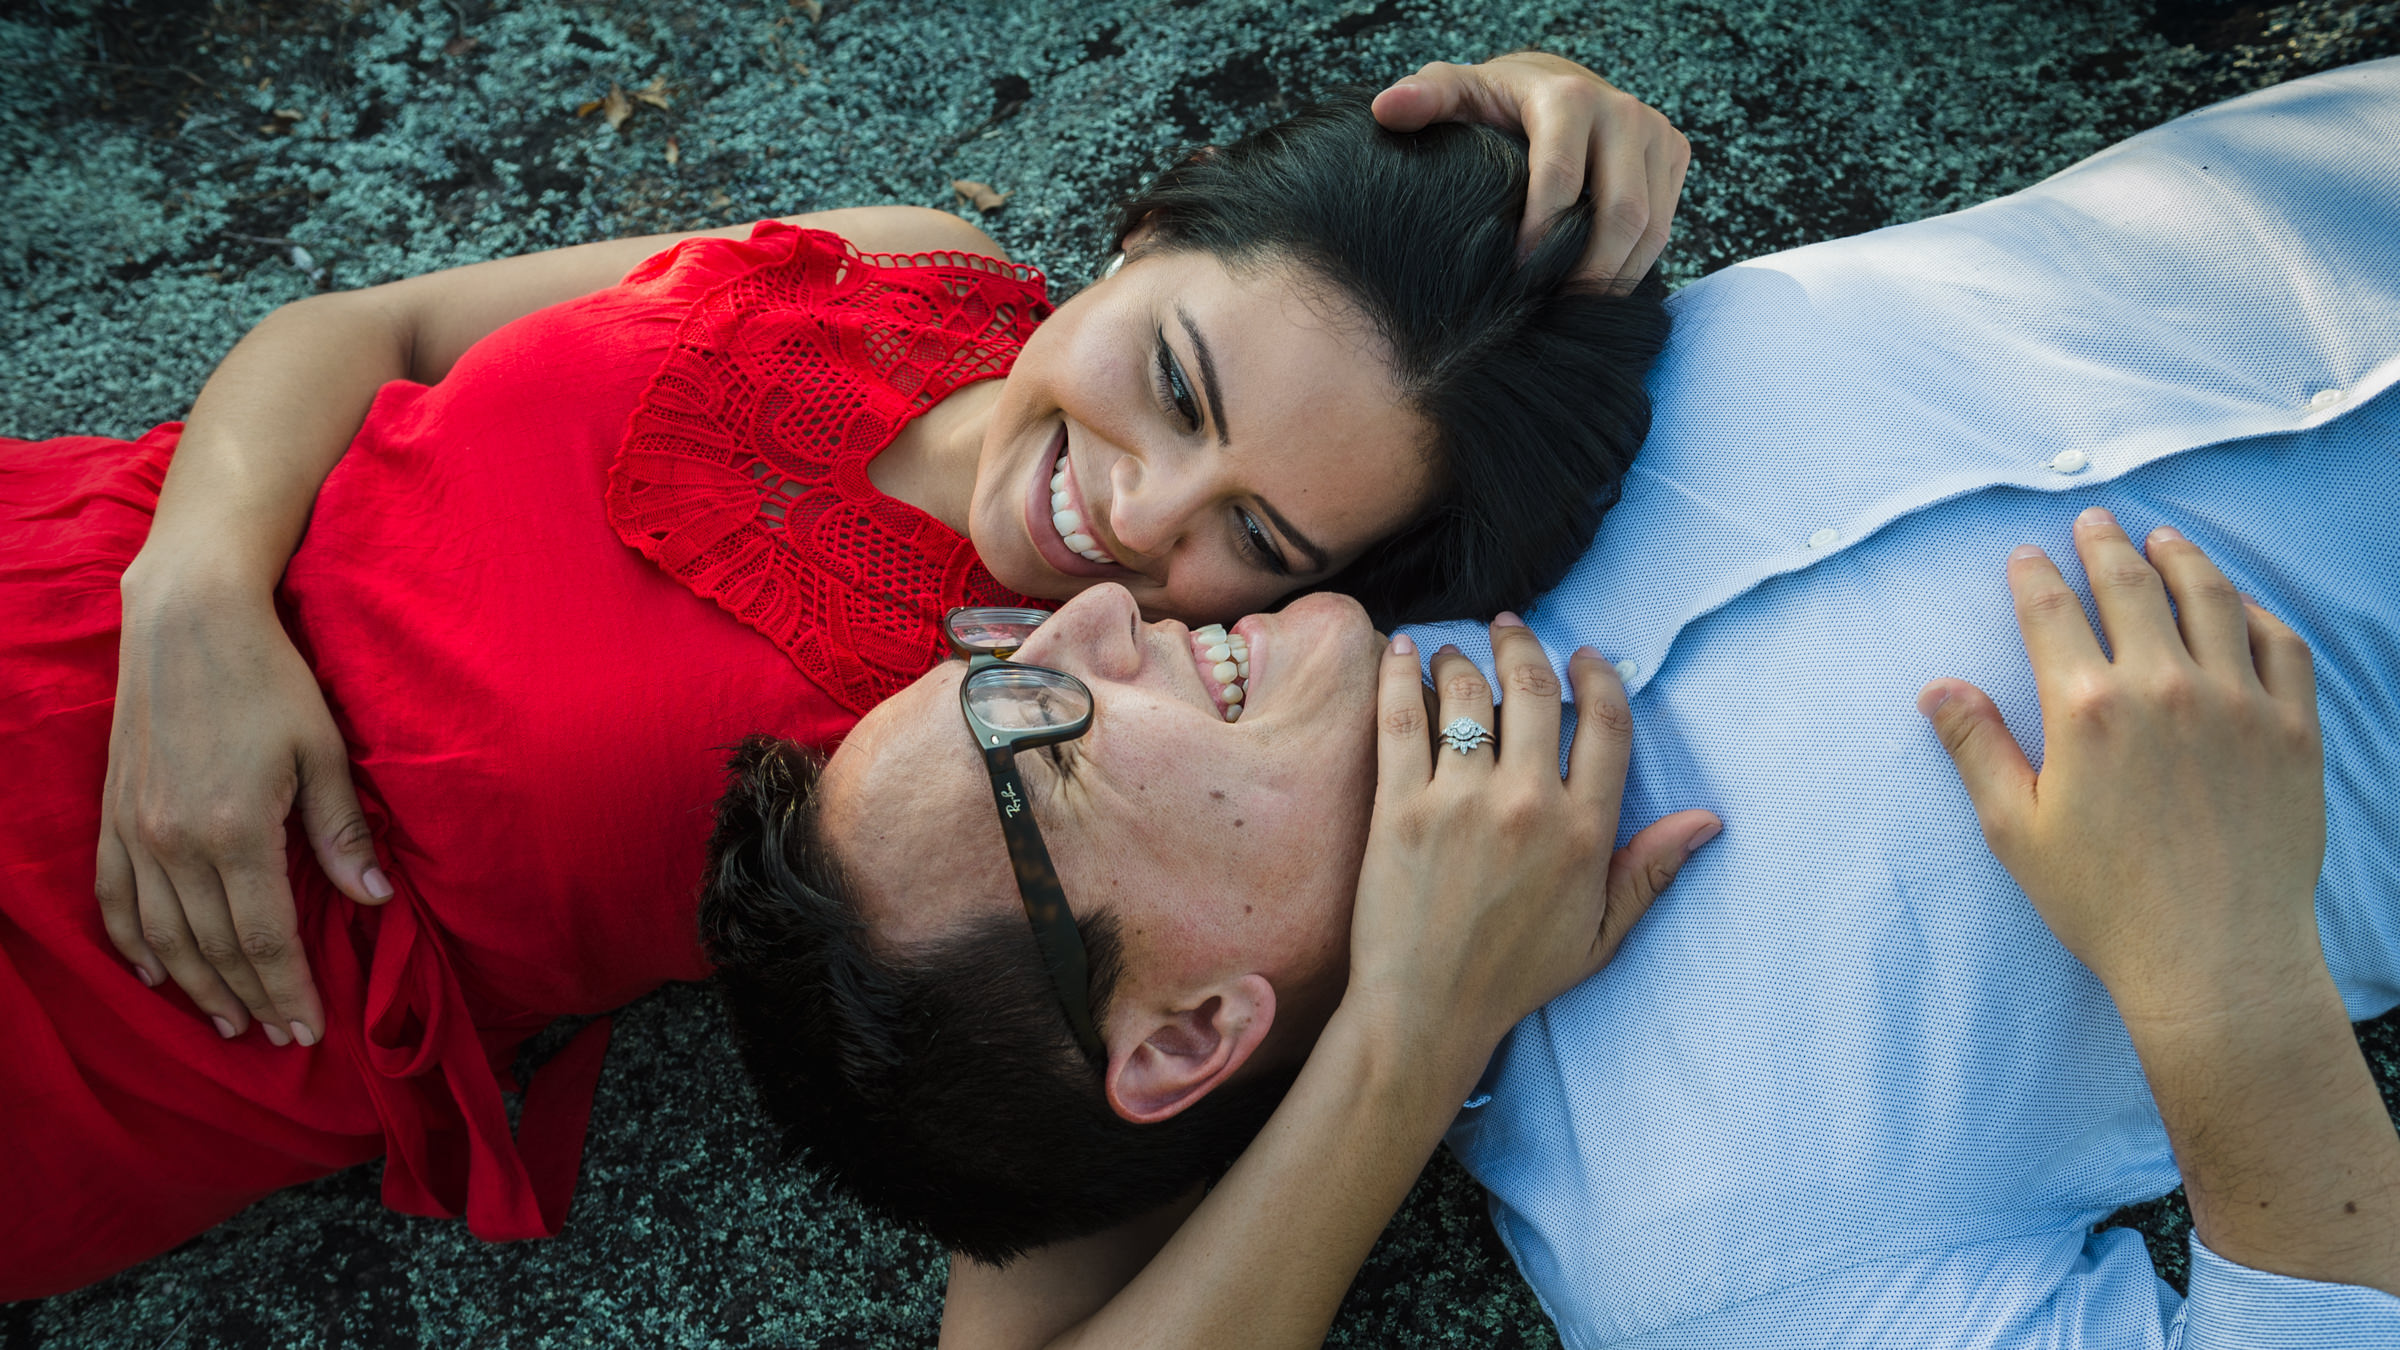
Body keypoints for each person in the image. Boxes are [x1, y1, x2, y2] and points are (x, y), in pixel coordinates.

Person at [698, 59, 2400, 1347]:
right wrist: (2228, 986)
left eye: (989, 654)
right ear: (1188, 1033)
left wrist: (1532, 139)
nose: (1086, 619)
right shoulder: (1705, 1241)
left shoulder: (1389, 514)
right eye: (1030, 735)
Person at [0, 56, 1694, 1299]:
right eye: (1177, 385)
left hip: (129, 972)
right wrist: (198, 589)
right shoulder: (912, 258)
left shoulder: (1030, 768)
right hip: (96, 555)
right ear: (1146, 230)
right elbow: (371, 336)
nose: (1134, 517)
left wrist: (1409, 1035)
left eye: (1255, 527)